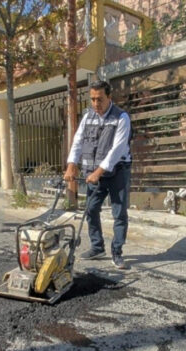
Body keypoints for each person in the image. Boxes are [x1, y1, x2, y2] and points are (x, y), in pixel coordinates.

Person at [64, 80, 132, 270]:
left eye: (99, 99)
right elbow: (78, 142)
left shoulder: (121, 118)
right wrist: (71, 165)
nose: (96, 103)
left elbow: (117, 149)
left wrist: (99, 171)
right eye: (92, 99)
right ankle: (97, 246)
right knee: (91, 210)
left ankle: (117, 252)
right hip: (94, 173)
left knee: (119, 212)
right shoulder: (88, 117)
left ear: (109, 97)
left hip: (117, 170)